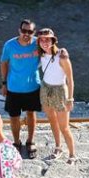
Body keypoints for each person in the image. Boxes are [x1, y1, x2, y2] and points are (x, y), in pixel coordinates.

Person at [0, 19, 41, 158]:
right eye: (24, 30)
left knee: (31, 114)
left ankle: (30, 141)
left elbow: (52, 50)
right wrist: (4, 83)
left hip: (33, 86)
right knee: (14, 117)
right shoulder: (9, 45)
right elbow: (4, 63)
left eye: (30, 31)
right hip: (14, 87)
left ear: (34, 32)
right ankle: (16, 142)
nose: (26, 34)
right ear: (19, 30)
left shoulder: (38, 43)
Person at [36, 28, 77, 164]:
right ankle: (58, 148)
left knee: (64, 127)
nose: (44, 42)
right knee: (52, 121)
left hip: (60, 92)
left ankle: (72, 154)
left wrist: (70, 98)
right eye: (41, 40)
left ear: (53, 40)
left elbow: (70, 80)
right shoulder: (41, 54)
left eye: (47, 39)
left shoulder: (62, 56)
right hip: (46, 89)